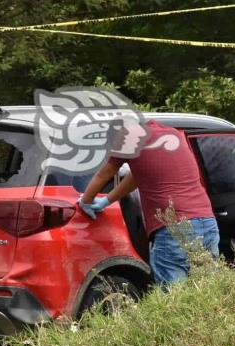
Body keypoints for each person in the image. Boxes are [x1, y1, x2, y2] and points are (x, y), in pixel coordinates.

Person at [79, 119, 219, 286]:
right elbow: (137, 176)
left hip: (173, 227)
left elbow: (105, 173)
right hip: (207, 222)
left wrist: (85, 201)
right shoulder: (172, 132)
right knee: (209, 293)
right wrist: (106, 200)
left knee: (175, 298)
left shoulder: (128, 136)